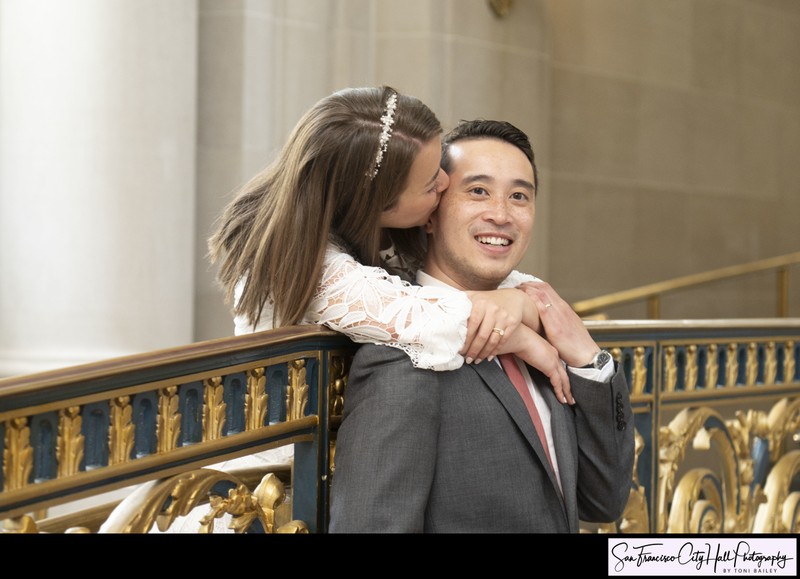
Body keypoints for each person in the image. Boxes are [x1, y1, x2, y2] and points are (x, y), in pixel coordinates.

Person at [328, 119, 635, 533]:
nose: (501, 214)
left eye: (519, 196)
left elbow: (603, 500)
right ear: (431, 214)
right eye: (478, 191)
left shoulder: (541, 327)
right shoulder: (403, 354)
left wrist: (587, 361)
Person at [207, 85, 571, 401]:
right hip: (281, 469)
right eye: (431, 184)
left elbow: (507, 292)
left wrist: (521, 300)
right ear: (376, 202)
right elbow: (430, 323)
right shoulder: (301, 261)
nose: (446, 183)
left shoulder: (380, 229)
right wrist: (525, 335)